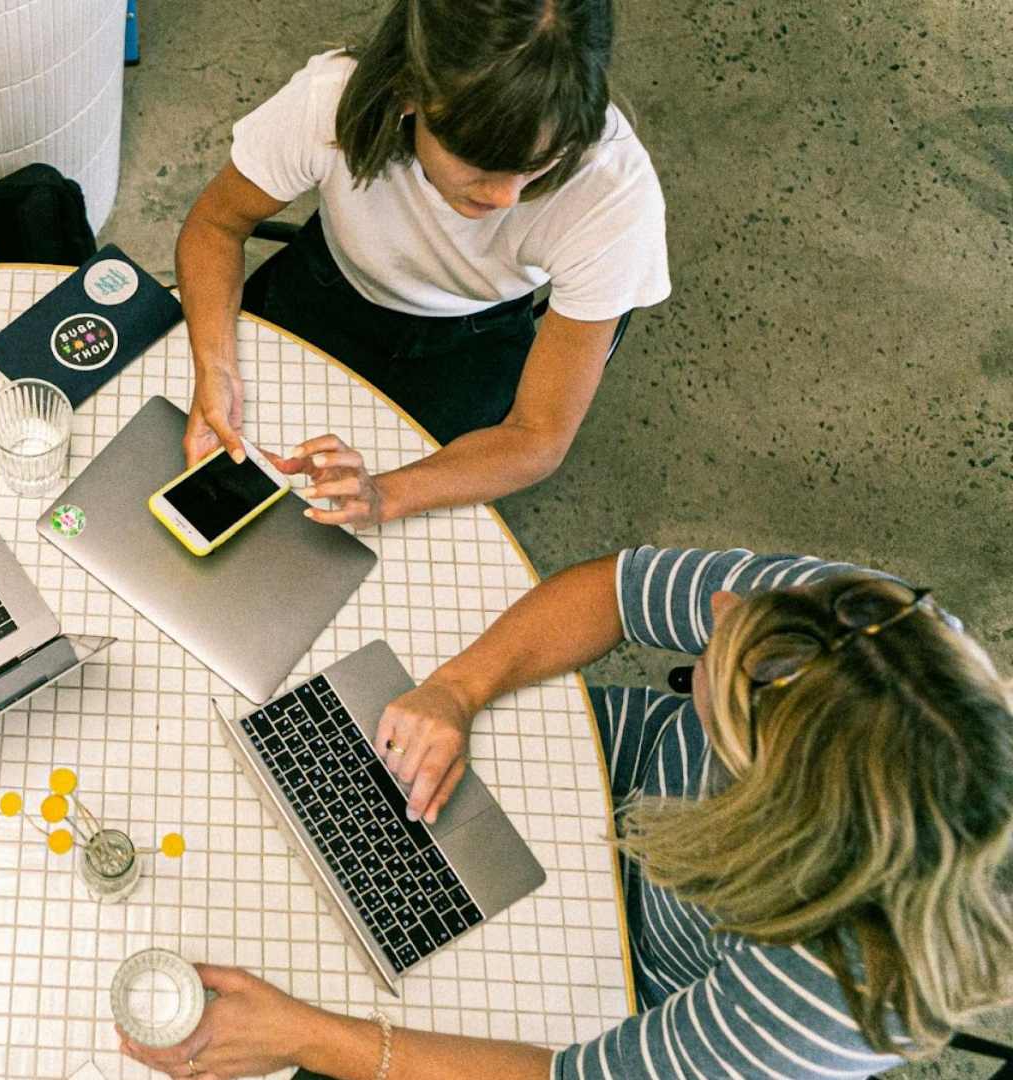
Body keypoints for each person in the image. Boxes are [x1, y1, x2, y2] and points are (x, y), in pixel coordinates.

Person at [121, 545, 1013, 1078]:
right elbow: (618, 589)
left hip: (626, 1002)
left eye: (727, 652)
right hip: (605, 778)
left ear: (759, 799)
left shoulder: (827, 1000)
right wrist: (457, 692)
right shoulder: (860, 629)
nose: (721, 606)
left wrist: (302, 1035)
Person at [177, 0, 669, 529]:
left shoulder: (613, 193)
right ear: (409, 92)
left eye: (538, 164)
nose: (506, 196)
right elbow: (215, 227)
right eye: (478, 160)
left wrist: (386, 496)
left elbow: (538, 435)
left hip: (472, 342)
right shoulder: (331, 99)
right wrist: (217, 367)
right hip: (324, 285)